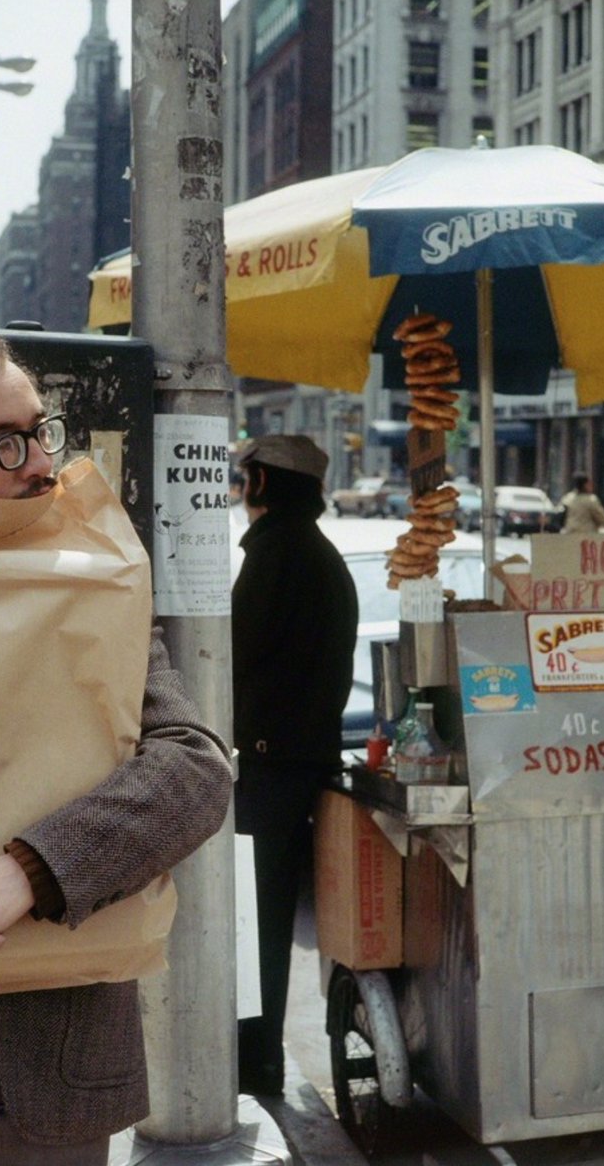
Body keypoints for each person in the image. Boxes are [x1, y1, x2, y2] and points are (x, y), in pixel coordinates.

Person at [0, 328, 233, 1165]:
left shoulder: (88, 574)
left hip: (61, 1076)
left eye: (39, 430)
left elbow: (193, 766)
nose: (39, 463)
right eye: (2, 445)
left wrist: (34, 868)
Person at [232, 435, 358, 1097]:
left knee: (255, 920)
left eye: (242, 475)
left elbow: (232, 654)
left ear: (258, 482)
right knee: (265, 916)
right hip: (295, 760)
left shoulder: (276, 554)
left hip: (269, 766)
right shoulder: (315, 553)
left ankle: (254, 1063)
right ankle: (256, 1058)